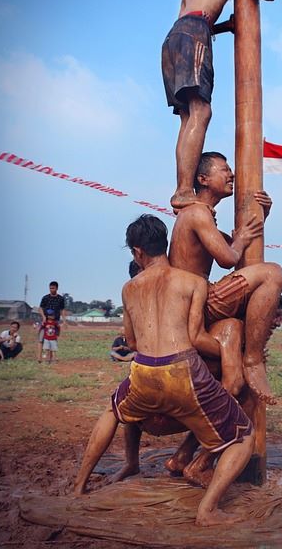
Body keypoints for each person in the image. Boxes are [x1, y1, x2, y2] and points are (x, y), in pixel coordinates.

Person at [74, 215, 254, 527]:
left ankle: (78, 487)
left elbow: (130, 340)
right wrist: (228, 351)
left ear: (137, 252)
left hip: (143, 372)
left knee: (113, 410)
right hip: (184, 372)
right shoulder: (193, 282)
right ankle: (207, 510)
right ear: (164, 245)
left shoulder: (129, 288)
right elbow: (197, 337)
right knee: (244, 438)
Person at [169, 151, 282, 404]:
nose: (231, 174)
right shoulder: (197, 213)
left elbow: (239, 248)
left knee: (232, 328)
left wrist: (261, 215)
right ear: (203, 179)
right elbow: (229, 258)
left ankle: (212, 427)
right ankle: (253, 360)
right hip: (196, 302)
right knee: (272, 273)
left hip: (194, 303)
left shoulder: (202, 216)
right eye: (224, 169)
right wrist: (241, 240)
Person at [161, 0, 276, 211]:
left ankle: (181, 188)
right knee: (202, 111)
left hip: (172, 39)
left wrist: (227, 26)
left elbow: (191, 19)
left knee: (187, 117)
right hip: (195, 33)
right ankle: (182, 190)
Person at [38, 281, 65, 363]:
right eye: (50, 288)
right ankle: (39, 358)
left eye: (53, 288)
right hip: (45, 322)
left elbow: (62, 310)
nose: (51, 289)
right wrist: (43, 317)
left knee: (52, 339)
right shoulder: (45, 298)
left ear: (57, 288)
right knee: (41, 339)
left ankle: (50, 358)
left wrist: (64, 321)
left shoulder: (60, 299)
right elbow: (40, 308)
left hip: (55, 322)